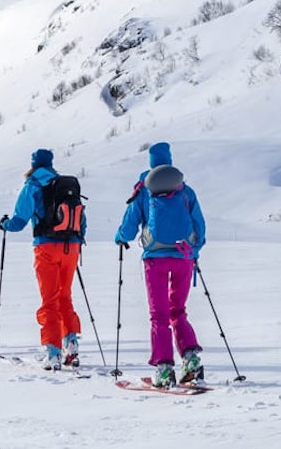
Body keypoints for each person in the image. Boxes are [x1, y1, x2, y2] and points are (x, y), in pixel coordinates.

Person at [114, 142, 206, 387]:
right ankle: (191, 359)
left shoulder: (144, 187)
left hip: (155, 259)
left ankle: (164, 369)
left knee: (159, 315)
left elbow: (131, 221)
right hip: (183, 258)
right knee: (178, 309)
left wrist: (121, 237)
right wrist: (193, 250)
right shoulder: (184, 189)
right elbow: (199, 224)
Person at [0, 148, 86, 369]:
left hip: (46, 247)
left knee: (50, 299)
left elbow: (19, 221)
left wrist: (4, 224)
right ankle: (71, 343)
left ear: (34, 164)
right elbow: (82, 220)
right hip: (71, 247)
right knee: (65, 296)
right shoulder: (65, 186)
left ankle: (54, 352)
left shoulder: (33, 185)